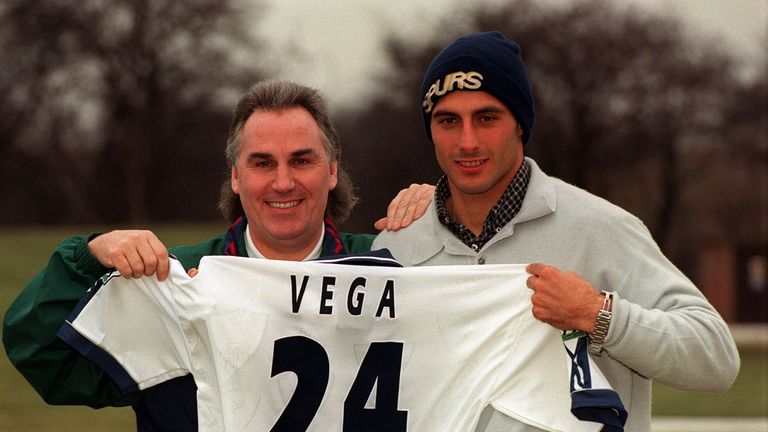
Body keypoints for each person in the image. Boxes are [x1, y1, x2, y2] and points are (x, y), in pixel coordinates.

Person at [3, 80, 432, 430]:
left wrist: (448, 222)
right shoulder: (171, 281)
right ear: (236, 177)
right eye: (262, 163)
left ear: (333, 170)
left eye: (302, 160)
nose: (283, 182)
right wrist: (88, 258)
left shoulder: (394, 270)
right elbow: (38, 352)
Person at [373, 31, 740, 432]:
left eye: (487, 118)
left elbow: (716, 358)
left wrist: (597, 314)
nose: (467, 141)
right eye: (448, 121)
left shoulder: (602, 228)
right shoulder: (397, 245)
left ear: (520, 124)